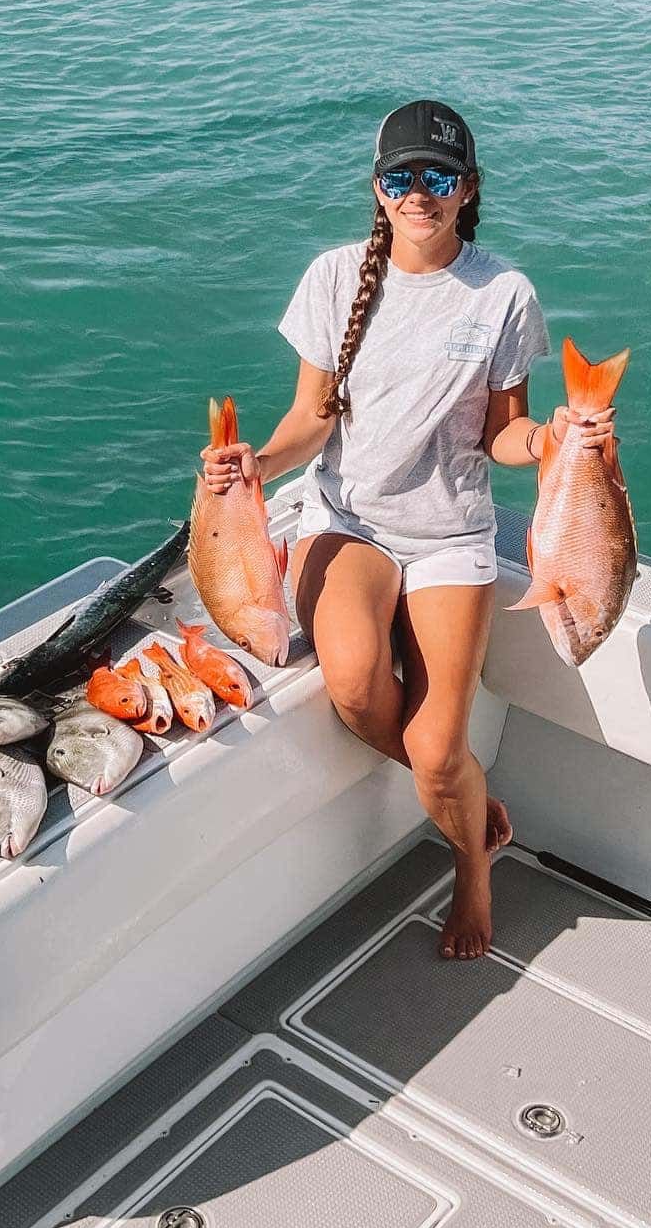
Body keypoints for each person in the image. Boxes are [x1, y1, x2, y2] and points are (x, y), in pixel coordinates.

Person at [200, 99, 616, 961]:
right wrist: (255, 468)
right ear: (377, 189)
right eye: (401, 177)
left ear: (467, 190)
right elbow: (310, 420)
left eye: (438, 177)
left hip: (448, 535)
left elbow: (504, 433)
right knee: (354, 689)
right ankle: (465, 800)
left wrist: (549, 444)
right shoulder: (333, 276)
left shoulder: (503, 292)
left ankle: (470, 858)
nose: (418, 193)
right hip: (344, 521)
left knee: (435, 750)